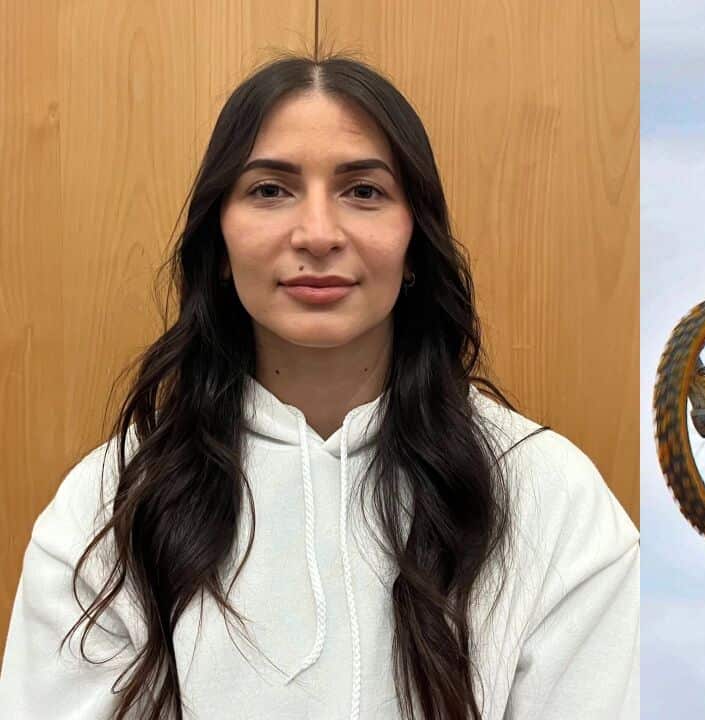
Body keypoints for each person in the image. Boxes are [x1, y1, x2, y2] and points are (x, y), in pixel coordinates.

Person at [0, 53, 638, 719]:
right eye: (270, 191)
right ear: (220, 245)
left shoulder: (549, 498)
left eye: (363, 191)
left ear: (414, 243)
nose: (318, 235)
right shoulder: (110, 506)